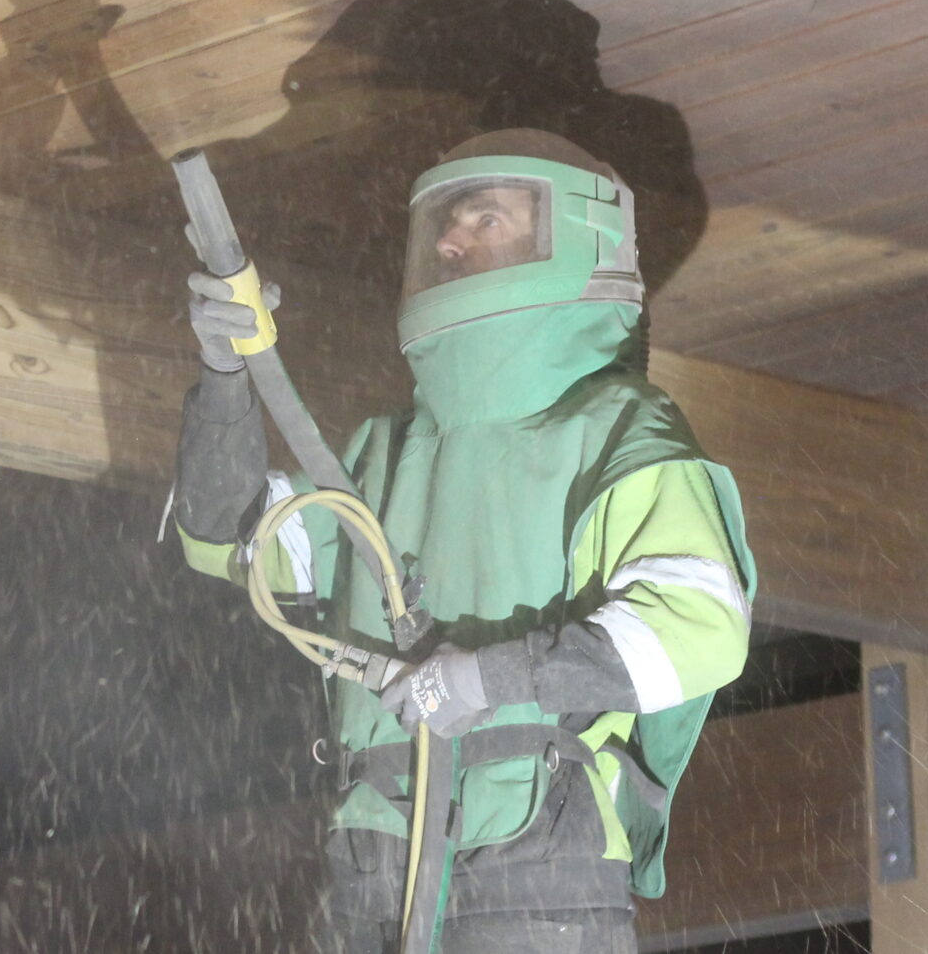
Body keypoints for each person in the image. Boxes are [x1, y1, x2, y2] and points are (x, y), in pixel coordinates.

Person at [172, 129, 755, 954]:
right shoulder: (380, 453)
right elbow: (223, 538)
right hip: (366, 877)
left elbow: (698, 626)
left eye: (486, 218)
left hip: (540, 869)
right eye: (444, 226)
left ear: (577, 237)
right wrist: (225, 375)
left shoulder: (620, 429)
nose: (449, 241)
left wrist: (488, 678)